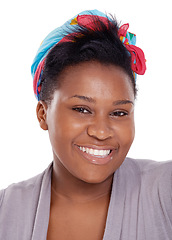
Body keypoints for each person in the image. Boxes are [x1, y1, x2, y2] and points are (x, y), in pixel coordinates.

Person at [0, 9, 171, 240]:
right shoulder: (5, 211)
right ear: (42, 114)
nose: (101, 132)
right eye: (81, 109)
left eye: (119, 112)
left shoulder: (164, 189)